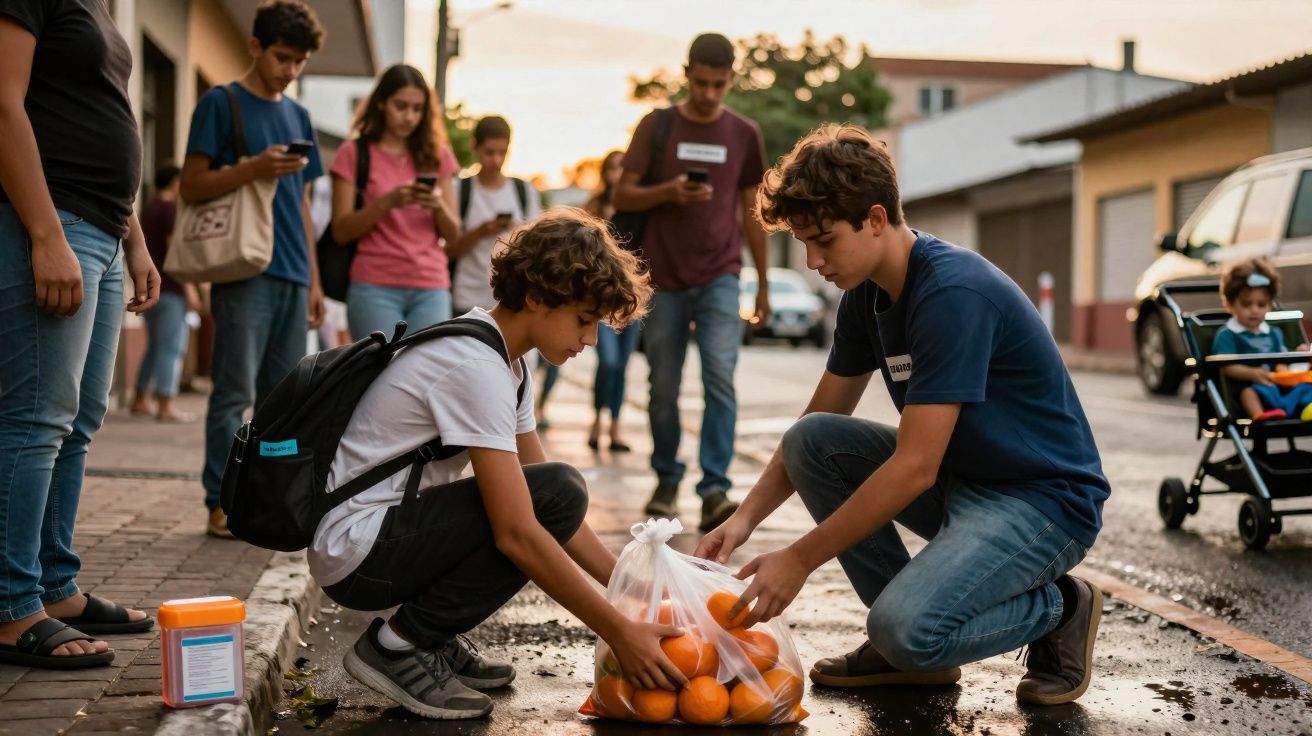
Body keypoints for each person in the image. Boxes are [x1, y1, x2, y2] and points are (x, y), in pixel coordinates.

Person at [696, 124, 1111, 707]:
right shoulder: (864, 296)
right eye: (804, 243)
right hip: (965, 483)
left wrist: (798, 558)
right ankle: (912, 655)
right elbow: (814, 425)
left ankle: (1059, 608)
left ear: (873, 218)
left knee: (905, 628)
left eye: (823, 240)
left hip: (1042, 501)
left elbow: (915, 467)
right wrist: (742, 522)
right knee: (814, 441)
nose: (813, 260)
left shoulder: (952, 294)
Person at [310, 209, 687, 719]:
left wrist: (630, 586)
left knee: (552, 492)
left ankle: (432, 635)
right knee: (549, 498)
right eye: (584, 319)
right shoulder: (475, 366)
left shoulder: (506, 360)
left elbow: (551, 507)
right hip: (358, 549)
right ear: (536, 298)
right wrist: (618, 630)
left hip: (379, 538)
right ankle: (399, 645)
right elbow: (520, 529)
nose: (592, 339)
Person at [0, 0, 159, 669]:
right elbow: (4, 105)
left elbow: (107, 120)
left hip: (103, 229)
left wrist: (137, 241)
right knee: (37, 417)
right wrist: (45, 235)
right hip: (54, 223)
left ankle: (54, 586)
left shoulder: (96, 3)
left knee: (80, 417)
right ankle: (11, 608)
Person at [180, 0, 327, 538]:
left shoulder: (300, 115)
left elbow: (305, 204)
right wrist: (253, 168)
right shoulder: (221, 103)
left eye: (300, 62)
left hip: (292, 272)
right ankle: (220, 502)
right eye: (282, 58)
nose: (290, 70)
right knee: (232, 392)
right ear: (255, 47)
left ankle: (264, 502)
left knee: (282, 404)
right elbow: (190, 186)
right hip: (242, 270)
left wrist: (315, 279)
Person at [614, 33, 770, 531]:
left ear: (730, 79)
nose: (708, 94)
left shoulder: (745, 133)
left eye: (718, 85)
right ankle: (666, 479)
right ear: (687, 75)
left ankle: (715, 490)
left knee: (719, 380)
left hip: (721, 275)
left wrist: (762, 282)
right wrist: (669, 192)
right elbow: (623, 193)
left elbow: (753, 211)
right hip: (662, 279)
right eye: (700, 83)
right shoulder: (657, 126)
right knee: (664, 386)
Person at [329, 64, 461, 340]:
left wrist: (437, 206)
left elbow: (454, 235)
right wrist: (386, 202)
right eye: (400, 106)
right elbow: (341, 231)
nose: (409, 116)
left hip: (431, 286)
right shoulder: (353, 153)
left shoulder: (438, 156)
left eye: (417, 108)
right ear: (381, 103)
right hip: (374, 285)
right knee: (380, 376)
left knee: (428, 375)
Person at [449, 115, 540, 315]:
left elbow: (536, 249)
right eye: (489, 152)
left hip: (511, 298)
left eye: (502, 152)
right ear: (475, 147)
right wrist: (481, 232)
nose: (496, 160)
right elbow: (447, 249)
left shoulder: (524, 191)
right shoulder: (459, 189)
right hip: (467, 298)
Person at [132, 165, 203, 422]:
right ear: (175, 181)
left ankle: (140, 399)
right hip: (171, 289)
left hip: (151, 289)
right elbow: (175, 254)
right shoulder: (170, 209)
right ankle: (166, 404)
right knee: (171, 348)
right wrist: (190, 289)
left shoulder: (148, 209)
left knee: (155, 347)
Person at [585, 150, 641, 452]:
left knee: (621, 366)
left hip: (629, 301)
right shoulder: (596, 207)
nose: (617, 174)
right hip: (600, 300)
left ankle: (615, 427)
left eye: (623, 169)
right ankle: (596, 420)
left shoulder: (638, 211)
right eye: (612, 169)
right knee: (607, 362)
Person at [1211, 258, 1312, 421]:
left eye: (1261, 305)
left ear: (1270, 305)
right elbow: (1227, 367)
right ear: (1230, 304)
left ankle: (1305, 409)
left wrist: (1295, 363)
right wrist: (1252, 373)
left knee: (1306, 385)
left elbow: (1280, 361)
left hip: (1277, 386)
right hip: (1252, 385)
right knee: (1248, 391)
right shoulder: (1227, 334)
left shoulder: (1274, 333)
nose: (1254, 310)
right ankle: (1259, 414)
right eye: (1246, 304)